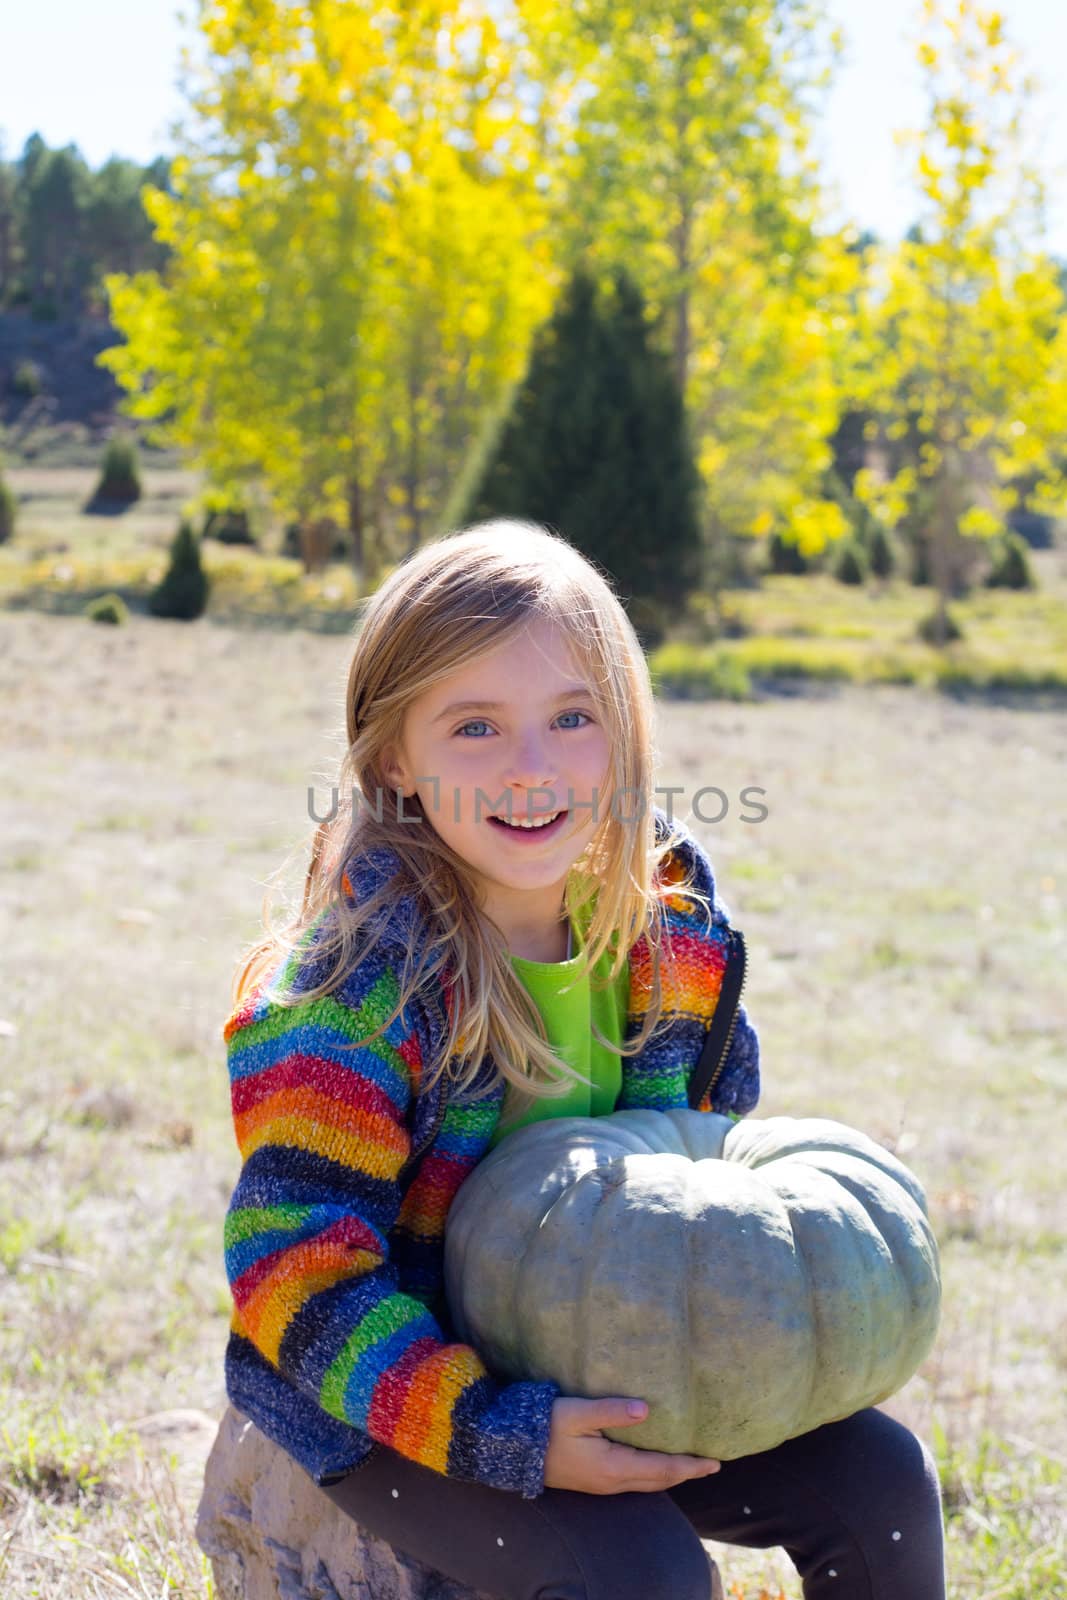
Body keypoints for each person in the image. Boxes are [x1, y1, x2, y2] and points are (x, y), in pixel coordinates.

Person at [220, 520, 947, 1600]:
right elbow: (298, 1274)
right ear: (391, 758)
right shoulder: (350, 998)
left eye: (572, 716)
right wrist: (500, 1433)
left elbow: (708, 1146)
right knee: (641, 1573)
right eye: (474, 726)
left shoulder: (671, 932)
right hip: (405, 1393)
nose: (531, 767)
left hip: (626, 1360)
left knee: (882, 1481)